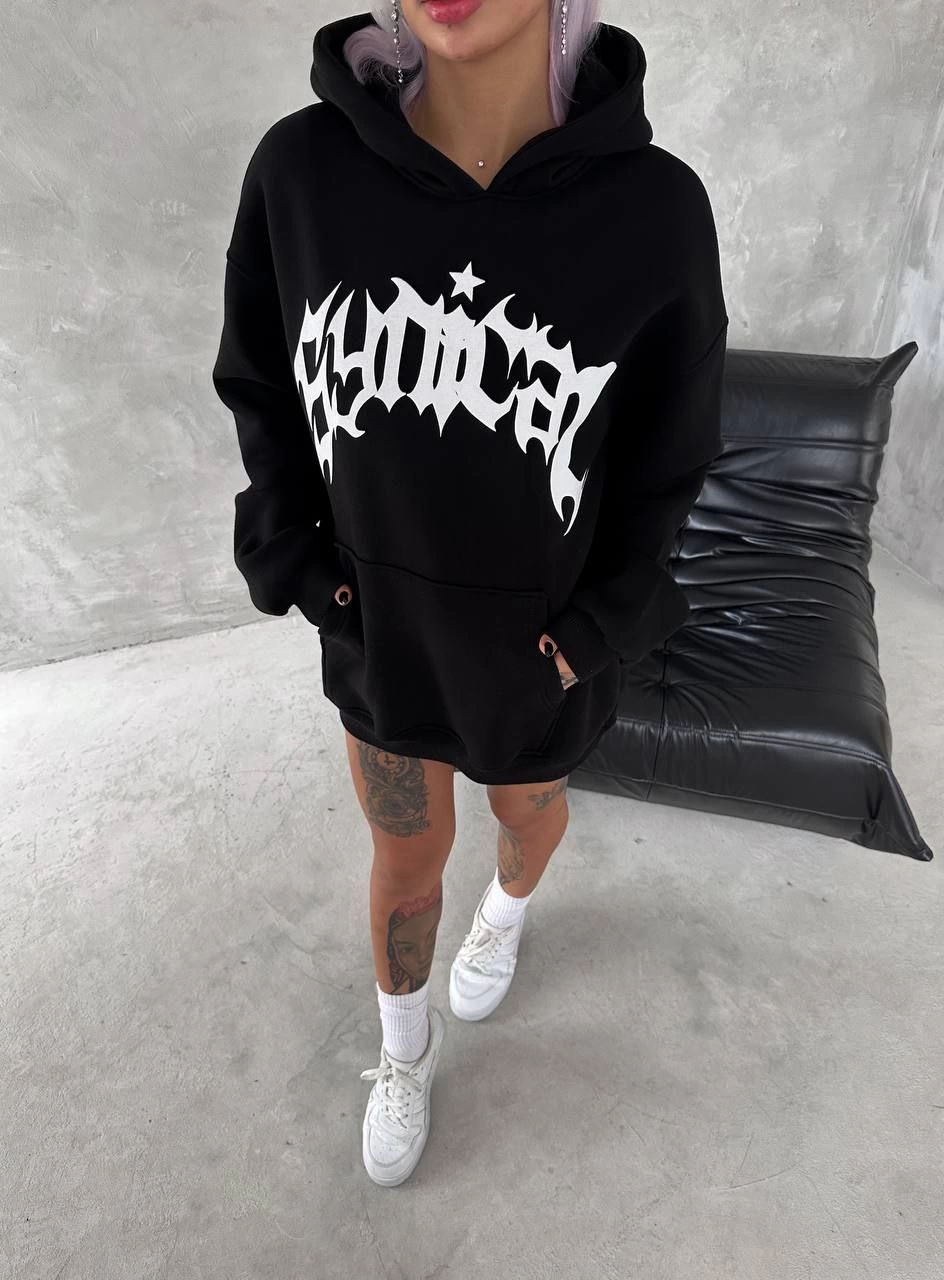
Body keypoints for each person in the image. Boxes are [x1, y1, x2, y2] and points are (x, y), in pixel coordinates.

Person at [211, 0, 728, 1188]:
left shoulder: (655, 212)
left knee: (527, 816)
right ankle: (404, 1048)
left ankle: (506, 909)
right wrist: (304, 568)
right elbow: (262, 382)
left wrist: (586, 636)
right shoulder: (301, 171)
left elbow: (668, 462)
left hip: (542, 652)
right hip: (381, 637)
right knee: (404, 857)